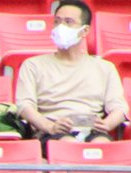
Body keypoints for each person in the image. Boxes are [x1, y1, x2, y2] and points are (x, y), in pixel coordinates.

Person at [15, 0, 127, 146]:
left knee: (102, 144)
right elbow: (24, 106)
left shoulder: (105, 68)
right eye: (57, 21)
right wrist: (49, 126)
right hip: (52, 130)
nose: (61, 27)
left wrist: (107, 124)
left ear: (85, 31)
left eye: (69, 22)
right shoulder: (33, 65)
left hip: (92, 129)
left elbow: (119, 108)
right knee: (69, 145)